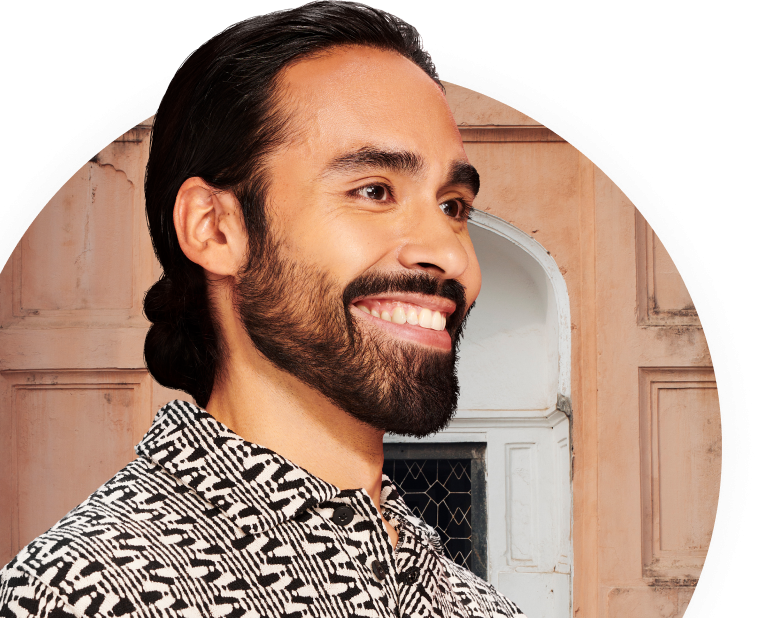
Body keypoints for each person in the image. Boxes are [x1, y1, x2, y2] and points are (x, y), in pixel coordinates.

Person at [0, 2, 526, 616]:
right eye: (374, 191)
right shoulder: (86, 592)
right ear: (216, 229)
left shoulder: (474, 603)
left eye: (454, 206)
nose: (450, 255)